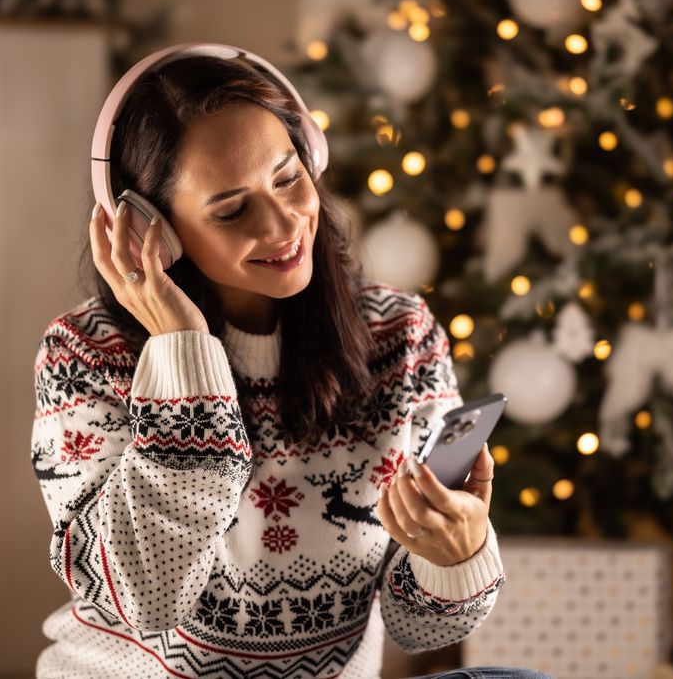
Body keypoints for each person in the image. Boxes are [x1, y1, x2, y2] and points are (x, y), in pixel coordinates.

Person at [30, 43, 551, 679]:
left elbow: (417, 629)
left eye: (287, 179)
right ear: (151, 230)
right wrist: (181, 352)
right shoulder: (84, 355)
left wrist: (456, 553)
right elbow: (142, 597)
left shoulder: (400, 335)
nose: (284, 225)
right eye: (232, 209)